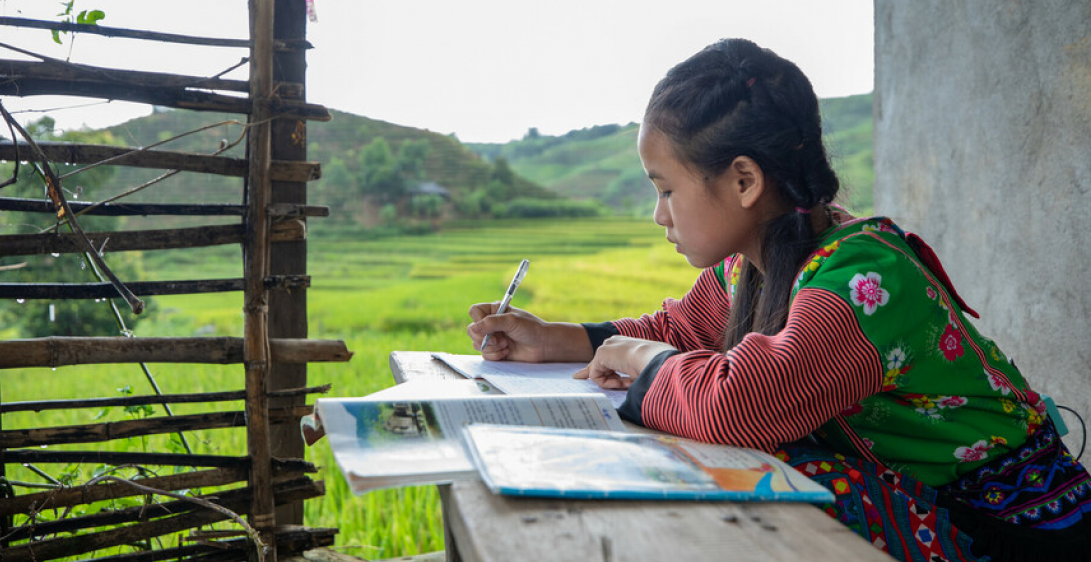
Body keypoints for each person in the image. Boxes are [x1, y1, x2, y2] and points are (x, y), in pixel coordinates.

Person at [467, 38, 1091, 562]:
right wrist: (557, 338)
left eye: (666, 190)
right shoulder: (758, 265)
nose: (658, 216)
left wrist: (639, 357)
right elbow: (679, 328)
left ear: (743, 180)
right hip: (934, 503)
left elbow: (745, 405)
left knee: (766, 464)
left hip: (1018, 533)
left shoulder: (864, 281)